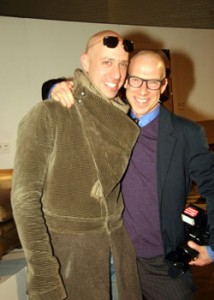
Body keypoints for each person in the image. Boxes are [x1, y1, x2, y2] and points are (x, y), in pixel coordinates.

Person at [44, 50, 214, 300]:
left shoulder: (186, 134)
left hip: (159, 263)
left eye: (153, 82)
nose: (143, 90)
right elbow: (61, 93)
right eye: (135, 79)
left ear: (164, 84)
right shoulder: (108, 121)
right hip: (112, 259)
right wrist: (55, 88)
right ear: (124, 80)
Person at [11, 30, 143, 300]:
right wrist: (44, 275)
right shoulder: (48, 114)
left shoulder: (125, 120)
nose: (117, 73)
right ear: (86, 61)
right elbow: (24, 200)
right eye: (107, 61)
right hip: (69, 258)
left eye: (122, 63)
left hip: (119, 256)